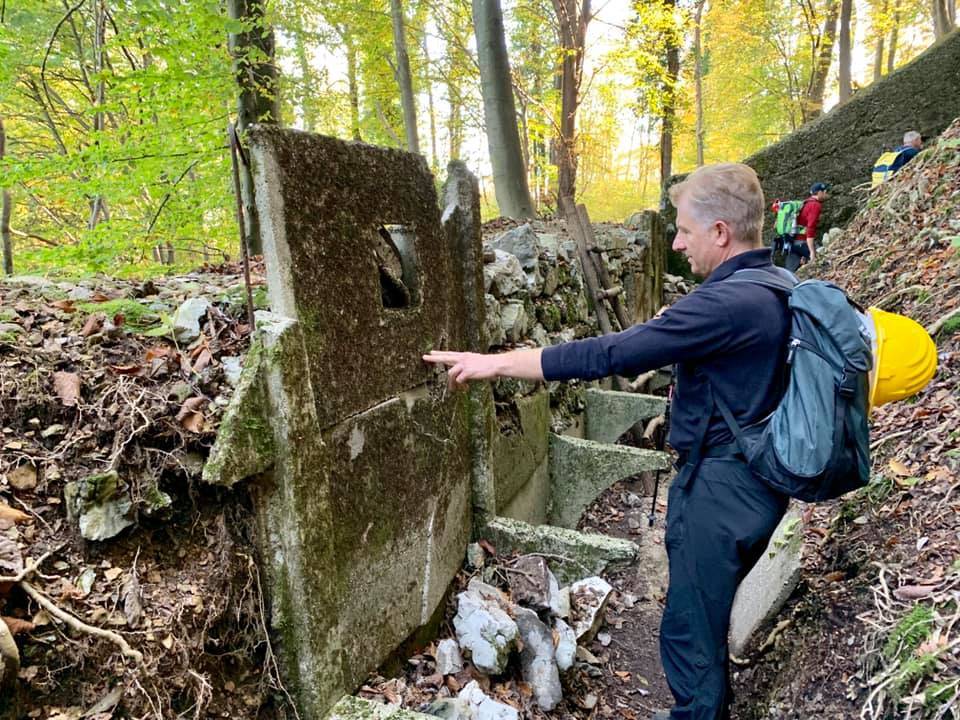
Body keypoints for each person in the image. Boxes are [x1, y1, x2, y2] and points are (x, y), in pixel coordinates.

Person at [424, 163, 791, 720]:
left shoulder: (723, 304)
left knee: (690, 634)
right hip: (756, 482)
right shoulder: (774, 284)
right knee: (705, 622)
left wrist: (496, 362)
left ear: (720, 232)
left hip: (722, 490)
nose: (675, 242)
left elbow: (608, 354)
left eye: (685, 231)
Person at [785, 182, 828, 272]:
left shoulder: (805, 203)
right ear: (819, 192)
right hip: (802, 242)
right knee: (824, 262)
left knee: (790, 272)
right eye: (825, 191)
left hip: (793, 242)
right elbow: (810, 227)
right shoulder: (815, 205)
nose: (826, 193)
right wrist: (811, 251)